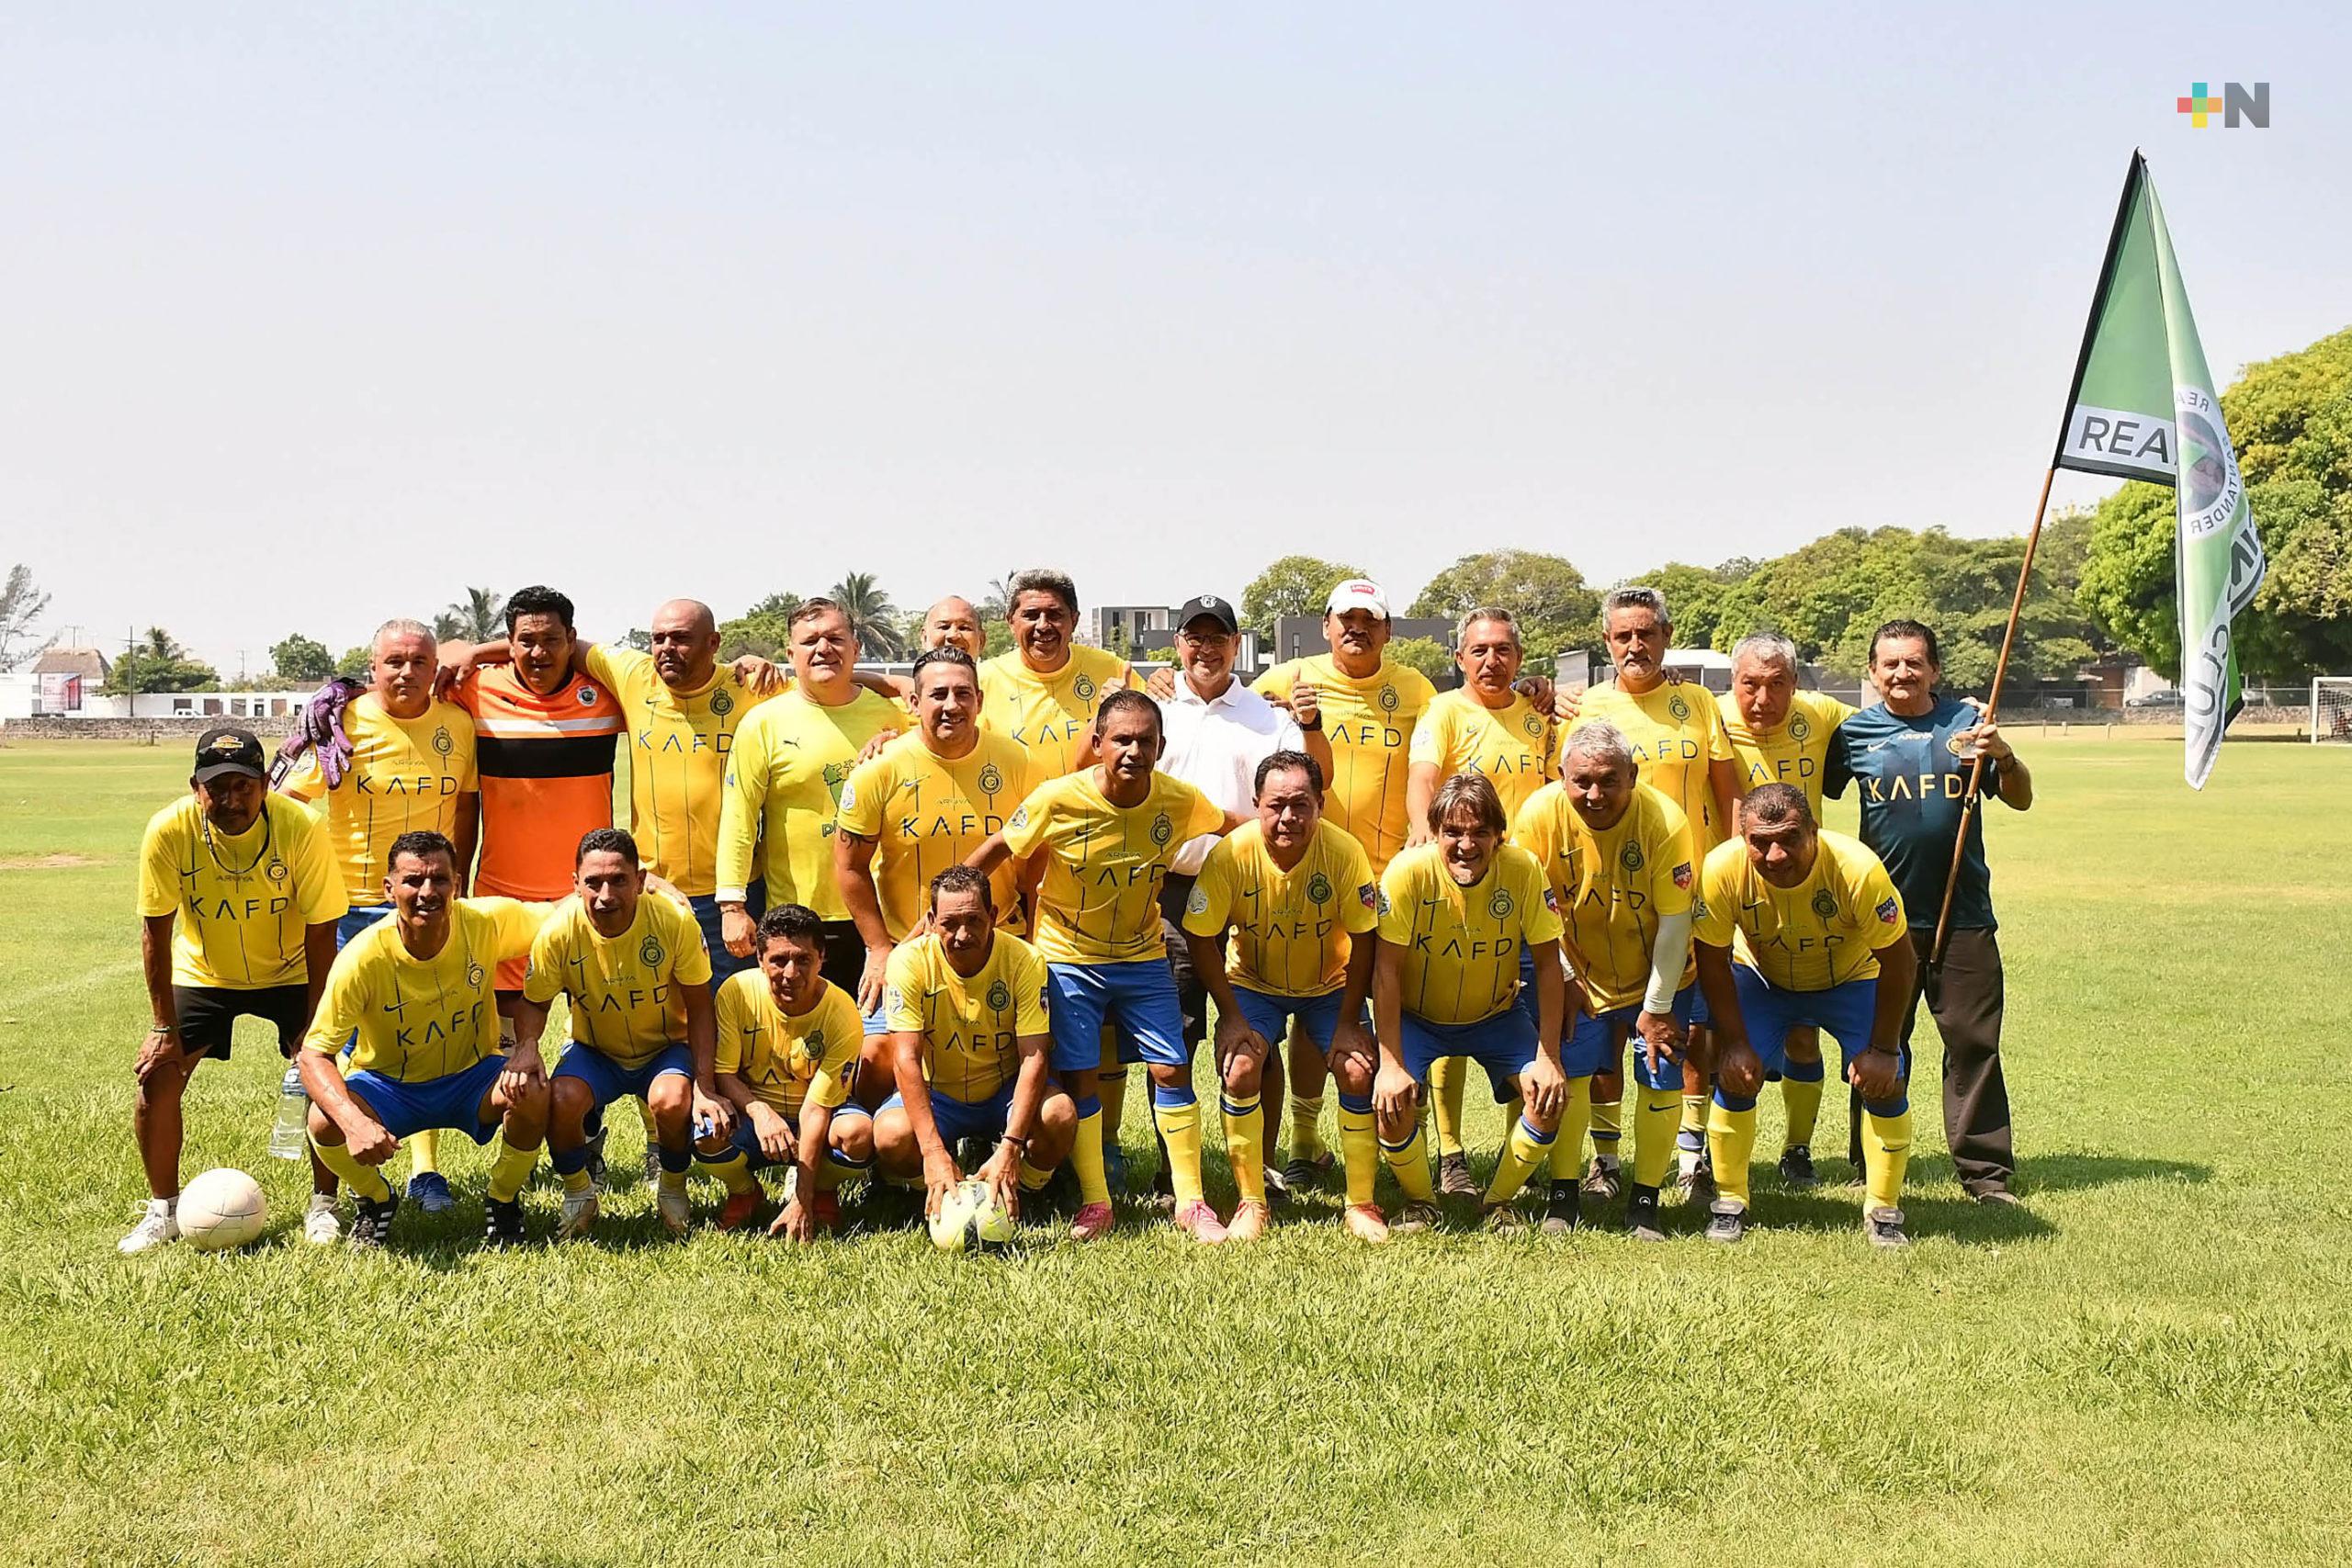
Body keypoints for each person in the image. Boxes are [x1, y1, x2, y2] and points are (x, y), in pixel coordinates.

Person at [966, 690, 1239, 1243]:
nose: (1133, 750)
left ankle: (1191, 1202)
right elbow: (1001, 845)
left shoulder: (1179, 800)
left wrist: (1291, 832)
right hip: (1069, 959)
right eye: (1121, 739)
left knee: (1171, 1068)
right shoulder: (1058, 798)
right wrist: (947, 904)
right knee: (1083, 1074)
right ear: (1097, 744)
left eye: (1145, 740)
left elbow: (1234, 825)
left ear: (1161, 747)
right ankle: (1097, 1202)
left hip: (1143, 956)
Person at [1826, 619, 2031, 1204]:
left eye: (1914, 662)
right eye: (1889, 663)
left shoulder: (1969, 725)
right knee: (1882, 1042)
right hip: (1882, 919)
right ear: (1872, 672)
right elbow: (1815, 787)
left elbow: (2020, 796)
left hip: (1962, 913)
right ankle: (1873, 1161)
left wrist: (2006, 754)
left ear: (1934, 669)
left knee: (1972, 1044)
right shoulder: (1854, 734)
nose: (1902, 673)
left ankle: (1987, 1176)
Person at [279, 616, 480, 1214]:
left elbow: (465, 806)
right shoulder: (342, 721)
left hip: (427, 906)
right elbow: (291, 801)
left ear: (434, 666)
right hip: (350, 906)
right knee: (337, 1047)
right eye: (394, 660)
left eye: (419, 660)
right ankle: (333, 1193)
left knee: (420, 1038)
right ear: (374, 666)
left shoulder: (457, 724)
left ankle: (426, 1172)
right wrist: (305, 882)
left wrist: (458, 883)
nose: (406, 671)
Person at [122, 728, 349, 1252]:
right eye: (216, 787)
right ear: (194, 788)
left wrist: (317, 1033)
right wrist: (162, 1027)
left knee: (328, 1076)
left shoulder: (302, 828)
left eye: (243, 786)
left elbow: (321, 933)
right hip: (205, 973)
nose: (230, 800)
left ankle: (324, 1205)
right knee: (156, 1079)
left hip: (292, 970)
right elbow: (154, 930)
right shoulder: (169, 830)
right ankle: (164, 1210)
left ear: (266, 784)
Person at [1148, 592, 1326, 1205]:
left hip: (1256, 891)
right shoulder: (1157, 715)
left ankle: (1265, 1164)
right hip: (1173, 892)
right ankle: (1176, 1172)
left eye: (1217, 636)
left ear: (1236, 643)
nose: (1205, 647)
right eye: (1193, 636)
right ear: (1178, 646)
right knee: (1176, 1033)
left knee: (1258, 1030)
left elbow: (1298, 793)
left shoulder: (1269, 717)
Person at [296, 831, 557, 1248]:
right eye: (413, 881)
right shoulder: (361, 958)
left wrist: (645, 884)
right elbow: (313, 1055)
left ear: (456, 883)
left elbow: (562, 913)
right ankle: (377, 1199)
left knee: (532, 1089)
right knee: (323, 1121)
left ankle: (503, 1201)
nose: (426, 893)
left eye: (439, 880)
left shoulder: (484, 922)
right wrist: (355, 1122)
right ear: (389, 888)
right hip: (389, 1087)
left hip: (472, 1077)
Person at [1690, 786, 1919, 1247]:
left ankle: (1883, 1207)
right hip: (1764, 979)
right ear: (1742, 837)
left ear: (1814, 832)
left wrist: (1883, 1049)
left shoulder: (1857, 869)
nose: (1775, 855)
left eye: (1790, 838)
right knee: (1735, 1075)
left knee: (1888, 1080)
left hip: (1851, 979)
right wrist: (1734, 1043)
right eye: (1759, 842)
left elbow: (1901, 962)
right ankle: (1730, 1201)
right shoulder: (1721, 869)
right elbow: (1712, 960)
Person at [1566, 587, 1737, 1200]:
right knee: (1608, 1031)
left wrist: (1737, 867)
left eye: (1646, 633)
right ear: (1608, 642)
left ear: (1665, 636)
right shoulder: (1589, 704)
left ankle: (1692, 1157)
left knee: (1688, 1028)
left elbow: (1729, 791)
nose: (1634, 644)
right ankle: (1605, 1161)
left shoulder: (1697, 702)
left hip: (1690, 891)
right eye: (1622, 635)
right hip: (1607, 897)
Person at [1181, 750, 1385, 1242]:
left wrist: (1350, 1020)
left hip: (1328, 985)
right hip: (1254, 985)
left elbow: (1365, 938)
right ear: (1257, 804)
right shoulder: (1230, 854)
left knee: (1358, 1070)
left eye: (1301, 805)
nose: (1288, 817)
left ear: (1320, 803)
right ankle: (1253, 1202)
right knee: (1241, 1067)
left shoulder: (1345, 852)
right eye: (1276, 806)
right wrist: (1229, 1016)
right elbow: (1199, 935)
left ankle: (1361, 1203)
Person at [716, 598, 910, 1100]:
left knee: (877, 1048)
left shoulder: (892, 718)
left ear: (856, 647)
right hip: (798, 917)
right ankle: (803, 1150)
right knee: (802, 1049)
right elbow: (739, 817)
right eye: (810, 641)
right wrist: (734, 905)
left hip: (879, 917)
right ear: (790, 653)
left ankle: (868, 1145)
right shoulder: (765, 723)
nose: (823, 648)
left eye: (835, 638)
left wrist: (896, 730)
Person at [1512, 722, 1699, 1241]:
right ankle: (1564, 1194)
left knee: (1659, 1076)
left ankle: (1646, 1201)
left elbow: (1675, 921)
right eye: (1582, 782)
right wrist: (1566, 978)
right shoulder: (1537, 817)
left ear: (1633, 776)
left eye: (1609, 781)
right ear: (1561, 776)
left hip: (1658, 975)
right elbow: (1533, 915)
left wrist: (1658, 1006)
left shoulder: (1664, 820)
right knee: (1570, 1075)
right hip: (1577, 972)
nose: (1594, 795)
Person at [1370, 773, 1569, 1234]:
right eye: (1453, 833)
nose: (1466, 845)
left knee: (1548, 1096)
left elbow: (1547, 965)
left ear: (1499, 836)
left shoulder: (1523, 870)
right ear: (1435, 833)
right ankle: (1423, 1202)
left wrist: (1549, 1057)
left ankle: (1498, 1203)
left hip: (1496, 1017)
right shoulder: (1406, 872)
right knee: (1392, 1101)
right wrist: (1391, 1062)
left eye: (1480, 832)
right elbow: (1386, 972)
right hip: (1418, 1018)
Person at [1408, 605, 1558, 1196]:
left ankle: (1508, 1166)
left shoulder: (1538, 716)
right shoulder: (1444, 711)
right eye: (1479, 650)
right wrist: (1424, 834)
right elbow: (1423, 777)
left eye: (1503, 650)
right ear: (1460, 658)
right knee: (1448, 1016)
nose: (1492, 661)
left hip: (1520, 890)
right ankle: (1450, 1156)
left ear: (1520, 658)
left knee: (1515, 1022)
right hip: (1457, 885)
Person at [513, 829, 729, 1240]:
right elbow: (535, 1003)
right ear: (575, 883)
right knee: (561, 1098)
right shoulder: (558, 932)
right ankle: (579, 1192)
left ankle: (672, 1186)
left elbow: (701, 1007)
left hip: (665, 1049)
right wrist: (526, 1047)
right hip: (595, 1051)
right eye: (592, 883)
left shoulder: (674, 921)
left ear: (641, 880)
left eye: (619, 880)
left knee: (671, 1100)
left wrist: (704, 1084)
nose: (605, 895)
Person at [1718, 631, 1857, 1186]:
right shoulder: (1710, 714)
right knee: (1719, 1035)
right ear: (1733, 684)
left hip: (1807, 894)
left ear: (1796, 685)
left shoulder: (1821, 714)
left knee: (1804, 1032)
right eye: (1750, 684)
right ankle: (1705, 1158)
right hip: (1734, 893)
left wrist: (1953, 712)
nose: (1762, 698)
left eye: (1777, 685)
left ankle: (1797, 1150)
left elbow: (1892, 717)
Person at [870, 866, 1077, 1223]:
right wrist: (933, 1150)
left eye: (974, 921)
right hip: (940, 1095)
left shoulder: (1025, 960)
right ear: (932, 920)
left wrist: (1011, 1146)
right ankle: (933, 1189)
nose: (962, 935)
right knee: (890, 1136)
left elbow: (1034, 1056)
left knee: (1059, 1116)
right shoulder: (907, 961)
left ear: (993, 916)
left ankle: (1019, 1190)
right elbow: (905, 1058)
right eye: (949, 924)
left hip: (1003, 1092)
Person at [835, 646, 1037, 992]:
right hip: (911, 951)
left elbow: (1039, 862)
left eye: (962, 694)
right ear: (914, 703)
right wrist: (880, 947)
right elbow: (849, 866)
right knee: (881, 1048)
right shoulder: (879, 769)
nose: (951, 705)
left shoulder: (1020, 762)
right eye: (938, 694)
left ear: (980, 700)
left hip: (1002, 943)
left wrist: (1033, 936)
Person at [695, 904, 876, 1237]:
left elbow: (817, 1107)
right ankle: (745, 1193)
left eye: (803, 959)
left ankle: (820, 1188)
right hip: (754, 1113)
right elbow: (724, 1074)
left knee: (858, 1134)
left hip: (817, 1112)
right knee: (707, 1130)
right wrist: (760, 1112)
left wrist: (801, 1198)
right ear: (760, 960)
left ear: (821, 958)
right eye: (778, 960)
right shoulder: (737, 993)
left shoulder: (842, 1012)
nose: (790, 973)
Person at [1250, 579, 1434, 874]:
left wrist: (1528, 689)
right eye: (1347, 618)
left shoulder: (1416, 688)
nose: (1357, 628)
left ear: (1388, 631)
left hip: (1385, 873)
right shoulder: (1290, 677)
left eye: (1370, 620)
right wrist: (1169, 684)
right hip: (1304, 873)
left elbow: (1466, 714)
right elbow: (1225, 705)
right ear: (1326, 625)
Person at [978, 568, 1140, 779]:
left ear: (1074, 620)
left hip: (1096, 810)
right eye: (1031, 615)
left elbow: (1158, 725)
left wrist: (1164, 681)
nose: (1043, 626)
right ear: (1010, 621)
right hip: (1017, 810)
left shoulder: (1113, 670)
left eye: (1055, 615)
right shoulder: (982, 680)